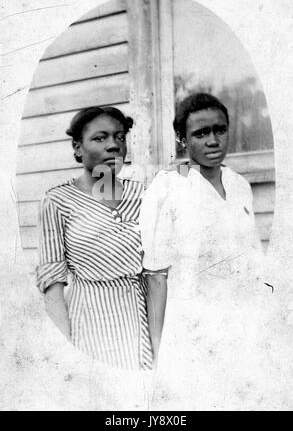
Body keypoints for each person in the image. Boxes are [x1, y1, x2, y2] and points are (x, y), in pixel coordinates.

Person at [139, 92, 273, 410]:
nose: (213, 140)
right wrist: (159, 351)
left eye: (220, 129)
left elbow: (253, 262)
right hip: (191, 328)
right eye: (200, 133)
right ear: (182, 140)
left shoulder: (239, 184)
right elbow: (155, 276)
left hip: (241, 325)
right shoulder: (167, 187)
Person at [36, 106, 153, 372]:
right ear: (77, 148)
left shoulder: (145, 195)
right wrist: (64, 352)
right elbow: (53, 288)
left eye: (120, 137)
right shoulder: (57, 201)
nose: (114, 145)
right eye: (100, 138)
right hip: (91, 324)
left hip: (142, 319)